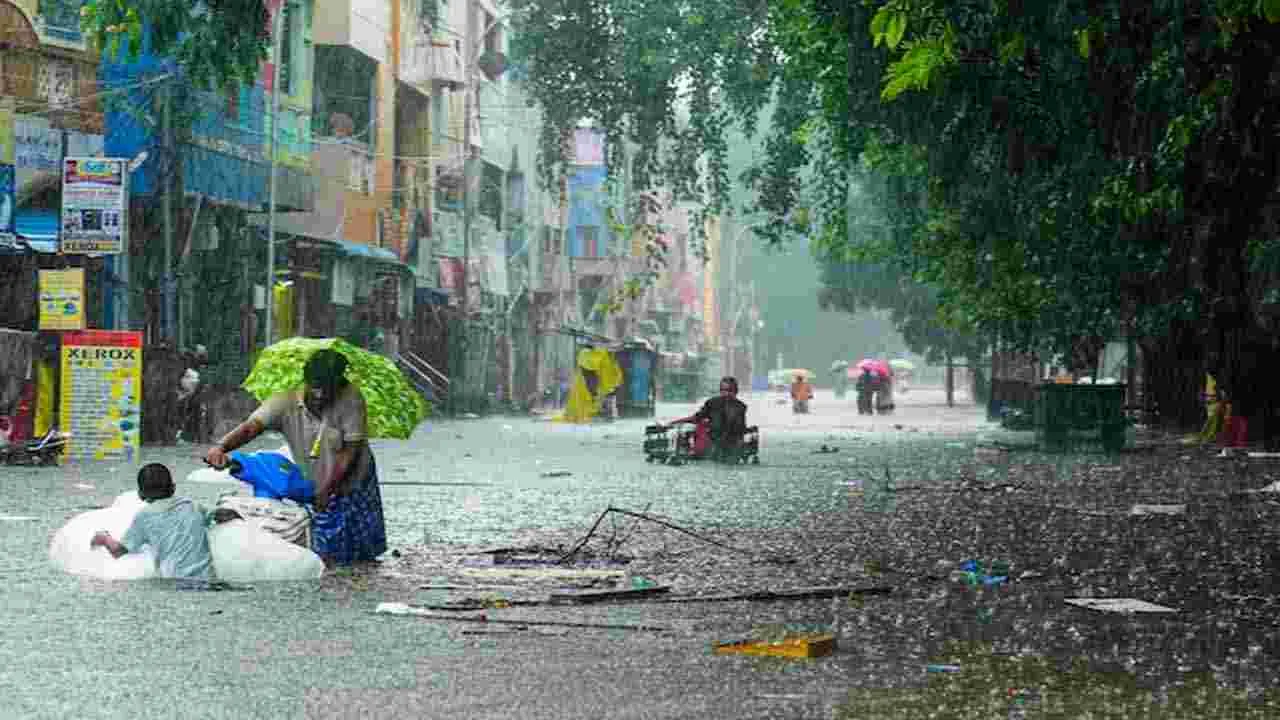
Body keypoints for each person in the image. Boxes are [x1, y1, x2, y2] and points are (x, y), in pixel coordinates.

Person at [205, 349, 386, 567]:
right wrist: (221, 447)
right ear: (307, 381)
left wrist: (328, 488)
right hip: (316, 475)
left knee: (360, 547)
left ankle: (358, 573)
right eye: (316, 388)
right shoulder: (284, 400)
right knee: (325, 544)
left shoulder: (351, 398)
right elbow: (251, 428)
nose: (320, 396)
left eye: (328, 389)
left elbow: (350, 452)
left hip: (353, 474)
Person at [90, 463, 239, 580]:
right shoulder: (192, 505)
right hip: (209, 579)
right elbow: (223, 515)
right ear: (173, 488)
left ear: (141, 494)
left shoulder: (144, 517)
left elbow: (119, 551)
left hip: (176, 583)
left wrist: (103, 538)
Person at [664, 376, 749, 459]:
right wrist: (676, 421)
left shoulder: (738, 407)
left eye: (730, 390)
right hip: (719, 445)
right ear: (720, 391)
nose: (726, 393)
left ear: (736, 391)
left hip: (723, 446)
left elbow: (740, 429)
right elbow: (697, 417)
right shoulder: (715, 403)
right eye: (724, 390)